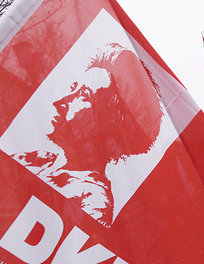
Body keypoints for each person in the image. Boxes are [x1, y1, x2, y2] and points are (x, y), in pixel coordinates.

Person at [10, 43, 163, 227]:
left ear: (104, 125)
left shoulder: (92, 201)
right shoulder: (38, 158)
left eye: (82, 95)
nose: (62, 100)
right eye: (74, 87)